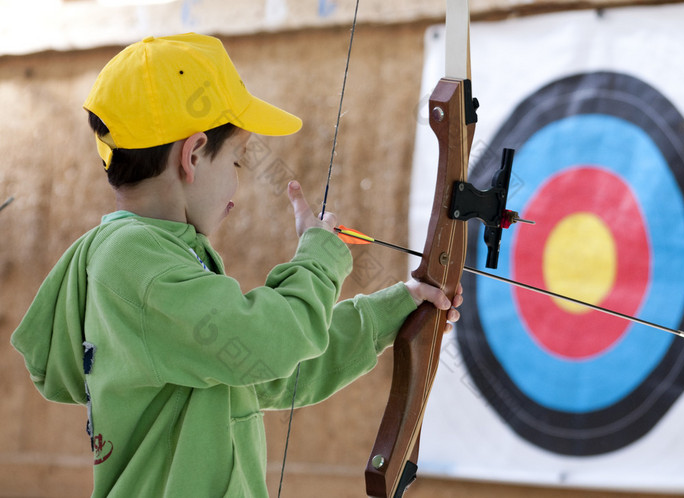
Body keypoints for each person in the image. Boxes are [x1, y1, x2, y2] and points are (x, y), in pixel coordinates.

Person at [11, 33, 462, 497]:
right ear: (192, 155)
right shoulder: (134, 259)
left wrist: (397, 311)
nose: (236, 183)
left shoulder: (160, 260)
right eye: (236, 161)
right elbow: (266, 345)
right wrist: (318, 257)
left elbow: (269, 370)